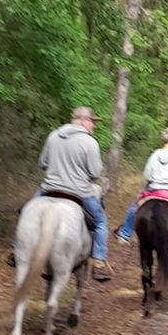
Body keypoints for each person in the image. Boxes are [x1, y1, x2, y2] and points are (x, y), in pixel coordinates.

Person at [36, 106, 111, 282]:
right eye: (93, 122)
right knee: (101, 222)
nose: (94, 126)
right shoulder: (89, 142)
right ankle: (99, 260)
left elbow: (43, 163)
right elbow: (95, 172)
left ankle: (17, 249)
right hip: (79, 192)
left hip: (49, 188)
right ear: (84, 121)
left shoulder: (53, 135)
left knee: (26, 212)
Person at [115, 128, 168, 260]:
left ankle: (125, 233)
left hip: (153, 189)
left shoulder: (155, 154)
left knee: (134, 206)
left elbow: (147, 174)